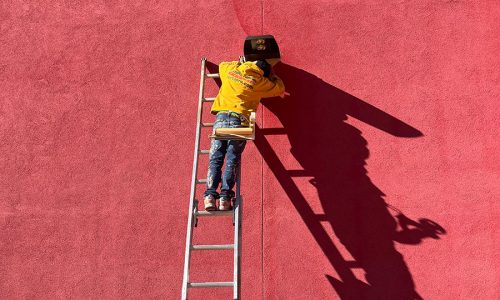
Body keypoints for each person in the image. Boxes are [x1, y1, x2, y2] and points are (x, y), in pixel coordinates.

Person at [203, 59, 289, 211]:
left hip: (221, 120)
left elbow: (222, 65)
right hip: (239, 122)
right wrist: (273, 75)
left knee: (215, 158)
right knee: (232, 160)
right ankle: (224, 198)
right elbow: (280, 88)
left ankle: (209, 197)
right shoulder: (259, 81)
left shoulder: (231, 72)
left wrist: (239, 63)